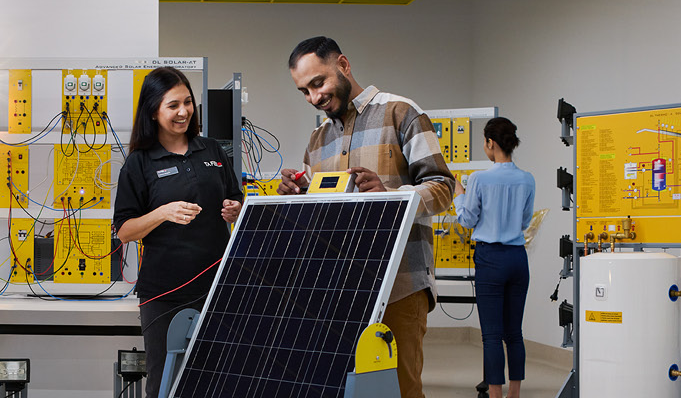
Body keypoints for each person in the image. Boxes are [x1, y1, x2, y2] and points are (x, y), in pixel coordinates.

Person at [278, 36, 455, 398]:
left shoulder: (401, 113)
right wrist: (296, 197)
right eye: (304, 91)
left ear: (343, 65)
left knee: (399, 390)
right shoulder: (317, 138)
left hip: (399, 287)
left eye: (318, 83)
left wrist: (390, 197)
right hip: (336, 289)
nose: (314, 97)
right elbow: (318, 214)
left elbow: (443, 188)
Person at [113, 66, 243, 398]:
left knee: (218, 380)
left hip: (216, 286)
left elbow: (236, 200)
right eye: (173, 105)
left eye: (187, 103)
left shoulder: (213, 151)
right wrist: (162, 213)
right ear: (153, 111)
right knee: (165, 383)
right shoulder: (139, 163)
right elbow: (125, 231)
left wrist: (235, 210)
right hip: (164, 293)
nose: (183, 112)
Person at [454, 117, 533, 398]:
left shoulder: (479, 179)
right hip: (517, 258)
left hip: (490, 258)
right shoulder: (527, 179)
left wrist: (459, 195)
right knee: (514, 333)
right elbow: (524, 221)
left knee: (491, 335)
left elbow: (467, 219)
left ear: (490, 143)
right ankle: (514, 394)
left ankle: (496, 395)